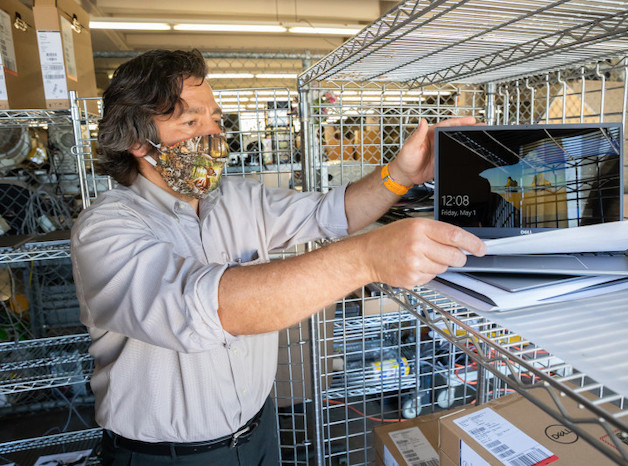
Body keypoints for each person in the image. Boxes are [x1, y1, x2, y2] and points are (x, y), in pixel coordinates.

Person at [70, 49, 485, 466]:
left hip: (261, 432)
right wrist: (366, 258)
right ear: (138, 141)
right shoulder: (106, 228)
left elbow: (333, 213)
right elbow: (199, 311)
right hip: (165, 457)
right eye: (190, 122)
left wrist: (400, 175)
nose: (212, 135)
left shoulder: (236, 199)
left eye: (215, 119)